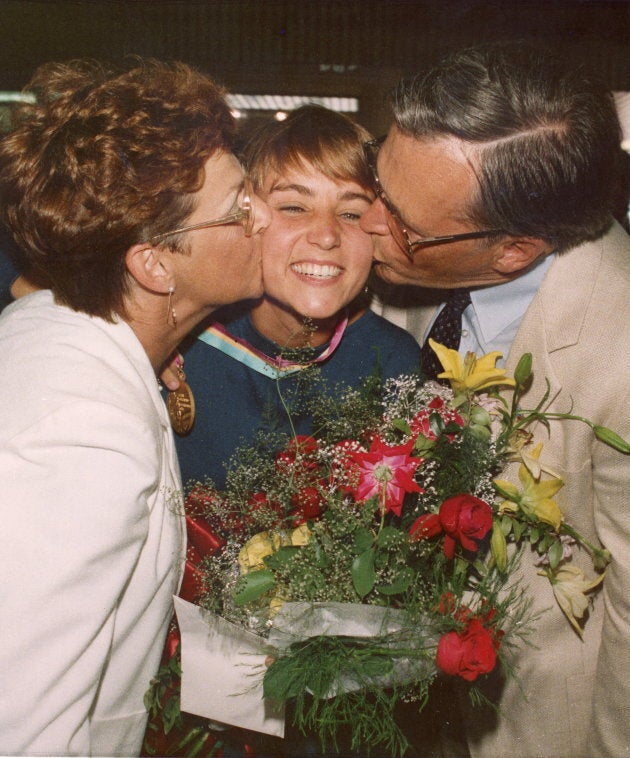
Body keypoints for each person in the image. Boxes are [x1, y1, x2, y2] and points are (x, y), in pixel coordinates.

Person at [360, 42, 630, 758]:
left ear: (514, 249)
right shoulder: (419, 244)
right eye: (374, 178)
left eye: (403, 225)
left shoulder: (621, 357)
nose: (364, 225)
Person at [0, 59, 269, 756]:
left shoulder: (61, 331)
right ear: (155, 264)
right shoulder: (83, 430)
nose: (262, 216)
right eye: (240, 205)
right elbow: (23, 725)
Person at [175, 104, 421, 489]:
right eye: (294, 207)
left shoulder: (393, 364)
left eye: (352, 214)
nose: (326, 235)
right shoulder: (184, 345)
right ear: (248, 218)